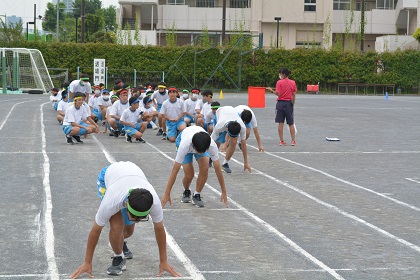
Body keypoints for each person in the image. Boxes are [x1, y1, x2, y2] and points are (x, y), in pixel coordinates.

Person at [69, 161, 181, 278]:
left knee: (128, 231)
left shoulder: (154, 203)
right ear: (126, 205)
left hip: (131, 172)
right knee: (117, 226)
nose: (137, 221)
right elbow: (96, 230)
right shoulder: (112, 200)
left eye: (141, 219)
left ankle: (118, 242)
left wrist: (164, 261)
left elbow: (159, 229)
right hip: (108, 178)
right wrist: (87, 262)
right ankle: (118, 256)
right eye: (134, 217)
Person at [161, 126, 229, 208]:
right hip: (183, 138)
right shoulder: (184, 145)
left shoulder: (211, 145)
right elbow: (175, 170)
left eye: (202, 152)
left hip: (200, 142)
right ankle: (186, 190)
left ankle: (197, 194)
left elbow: (218, 169)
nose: (200, 154)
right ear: (193, 146)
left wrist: (224, 191)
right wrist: (167, 193)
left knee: (205, 167)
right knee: (189, 175)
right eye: (198, 152)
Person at [211, 106, 251, 174]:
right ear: (227, 130)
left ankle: (225, 164)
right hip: (219, 114)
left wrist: (246, 162)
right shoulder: (219, 126)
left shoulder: (242, 127)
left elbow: (243, 145)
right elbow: (210, 142)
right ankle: (210, 159)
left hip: (232, 113)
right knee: (217, 141)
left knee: (234, 142)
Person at [266, 67, 297, 146]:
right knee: (291, 123)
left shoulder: (279, 82)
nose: (279, 75)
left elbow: (278, 93)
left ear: (283, 74)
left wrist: (271, 91)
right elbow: (294, 94)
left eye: (280, 74)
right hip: (289, 103)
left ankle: (281, 140)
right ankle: (293, 140)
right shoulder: (293, 82)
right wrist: (293, 103)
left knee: (280, 122)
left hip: (280, 103)